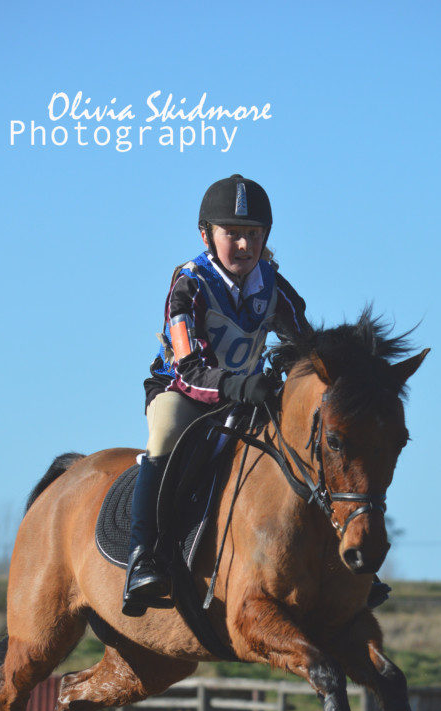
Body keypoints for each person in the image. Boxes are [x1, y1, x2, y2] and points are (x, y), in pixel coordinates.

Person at [122, 173, 310, 614]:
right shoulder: (189, 282)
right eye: (233, 235)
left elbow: (304, 340)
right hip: (182, 391)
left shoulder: (273, 285)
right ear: (206, 234)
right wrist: (237, 386)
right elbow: (188, 368)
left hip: (248, 393)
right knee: (165, 434)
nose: (244, 246)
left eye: (253, 235)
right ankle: (141, 556)